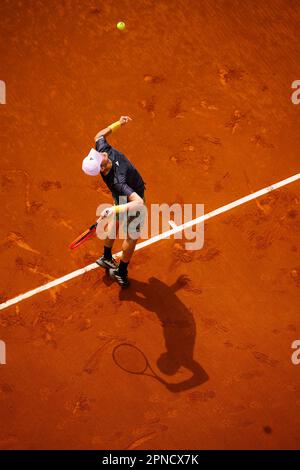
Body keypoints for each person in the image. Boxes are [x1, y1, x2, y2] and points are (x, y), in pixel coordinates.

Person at [82, 116, 145, 288]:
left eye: (96, 153)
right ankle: (121, 272)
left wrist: (118, 123)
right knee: (133, 235)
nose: (100, 153)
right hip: (132, 194)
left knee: (116, 218)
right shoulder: (118, 180)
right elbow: (138, 203)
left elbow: (98, 136)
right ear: (101, 168)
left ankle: (107, 257)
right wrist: (115, 208)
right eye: (98, 157)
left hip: (121, 198)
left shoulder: (103, 151)